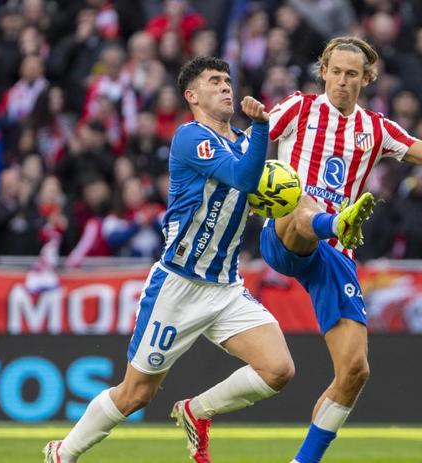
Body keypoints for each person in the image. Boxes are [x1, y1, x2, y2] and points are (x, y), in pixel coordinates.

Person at [260, 36, 422, 463]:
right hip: (286, 234)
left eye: (351, 74)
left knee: (355, 371)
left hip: (334, 255)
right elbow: (252, 140)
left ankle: (304, 461)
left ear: (366, 79)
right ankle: (335, 221)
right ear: (324, 72)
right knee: (301, 200)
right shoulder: (298, 108)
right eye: (336, 72)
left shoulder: (376, 129)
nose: (342, 81)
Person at [43, 57, 295, 463]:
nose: (226, 87)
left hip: (226, 287)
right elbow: (245, 179)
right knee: (136, 394)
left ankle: (197, 411)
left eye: (228, 80)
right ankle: (63, 452)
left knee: (278, 369)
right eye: (214, 81)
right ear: (191, 95)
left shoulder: (244, 141)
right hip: (179, 285)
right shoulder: (190, 138)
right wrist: (263, 127)